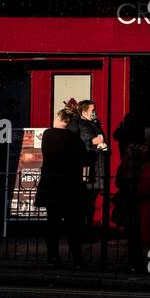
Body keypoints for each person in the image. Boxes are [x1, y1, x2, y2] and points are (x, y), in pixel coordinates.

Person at [35, 103, 89, 267]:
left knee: (53, 223)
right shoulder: (74, 138)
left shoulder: (47, 134)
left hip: (51, 184)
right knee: (73, 224)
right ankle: (77, 258)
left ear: (58, 118)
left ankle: (53, 256)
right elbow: (84, 158)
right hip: (70, 185)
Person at [113, 140, 150, 271]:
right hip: (147, 204)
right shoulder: (149, 167)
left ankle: (133, 264)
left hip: (131, 203)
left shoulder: (126, 168)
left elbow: (119, 183)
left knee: (133, 236)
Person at [72, 99, 109, 228]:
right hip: (87, 168)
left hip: (97, 167)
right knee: (84, 202)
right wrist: (92, 142)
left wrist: (103, 146)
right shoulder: (78, 124)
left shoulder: (94, 124)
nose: (94, 113)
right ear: (84, 111)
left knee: (91, 202)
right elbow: (75, 144)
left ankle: (87, 229)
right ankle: (82, 231)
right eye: (92, 110)